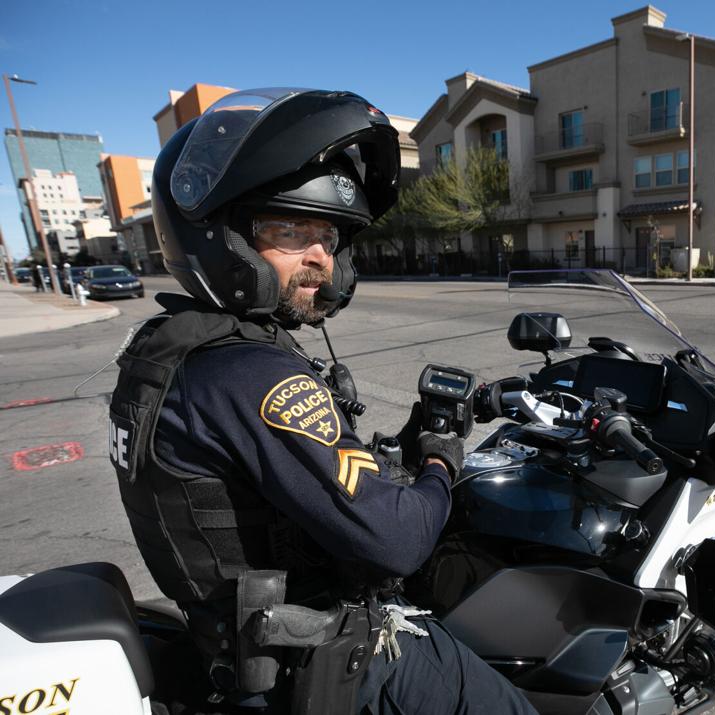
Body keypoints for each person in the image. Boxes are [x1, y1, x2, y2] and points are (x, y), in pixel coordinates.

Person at [108, 88, 535, 715]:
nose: (320, 258)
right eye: (290, 229)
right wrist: (443, 461)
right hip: (326, 666)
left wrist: (395, 453)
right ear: (223, 240)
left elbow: (270, 485)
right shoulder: (249, 373)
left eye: (329, 237)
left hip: (239, 652)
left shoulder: (169, 352)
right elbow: (396, 540)